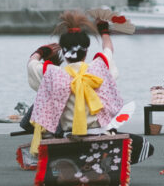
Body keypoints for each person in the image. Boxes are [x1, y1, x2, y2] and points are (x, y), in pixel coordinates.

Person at [28, 9, 153, 162]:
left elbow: (32, 64)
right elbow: (108, 49)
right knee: (144, 145)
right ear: (86, 51)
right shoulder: (98, 68)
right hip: (100, 137)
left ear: (65, 52)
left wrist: (41, 51)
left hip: (69, 139)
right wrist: (104, 31)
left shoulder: (53, 74)